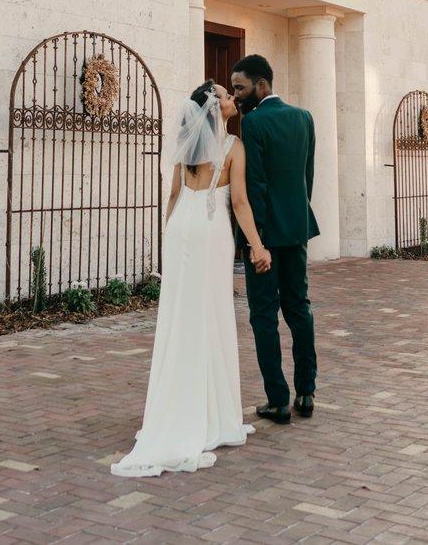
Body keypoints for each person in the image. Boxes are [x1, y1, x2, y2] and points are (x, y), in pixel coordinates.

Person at [111, 80, 271, 478]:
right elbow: (239, 202)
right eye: (226, 95)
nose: (233, 98)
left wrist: (169, 241)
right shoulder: (233, 146)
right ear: (217, 108)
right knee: (210, 313)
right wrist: (257, 246)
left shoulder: (187, 143)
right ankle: (211, 413)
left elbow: (173, 196)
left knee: (180, 315)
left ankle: (178, 405)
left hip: (181, 228)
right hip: (210, 231)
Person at [231, 54, 319, 424]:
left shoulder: (252, 122)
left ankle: (278, 400)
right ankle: (307, 392)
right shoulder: (304, 118)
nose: (236, 96)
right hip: (297, 230)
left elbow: (256, 186)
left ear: (262, 84)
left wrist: (257, 242)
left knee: (264, 316)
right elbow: (307, 177)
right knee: (299, 308)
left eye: (240, 87)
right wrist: (295, 216)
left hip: (265, 238)